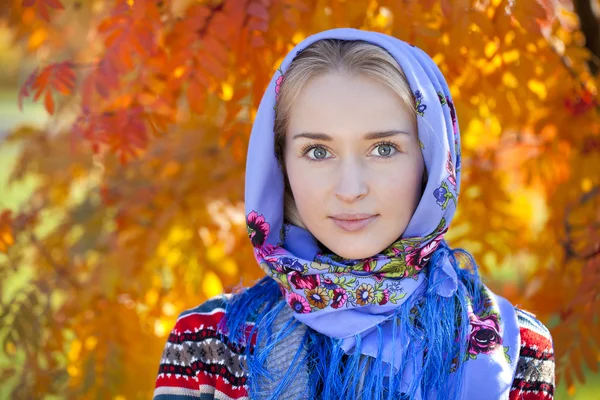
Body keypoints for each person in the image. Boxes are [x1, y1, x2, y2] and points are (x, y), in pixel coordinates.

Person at [152, 28, 555, 400]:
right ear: (282, 166)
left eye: (383, 149)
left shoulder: (514, 346)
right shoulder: (208, 344)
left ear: (431, 162)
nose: (350, 189)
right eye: (318, 151)